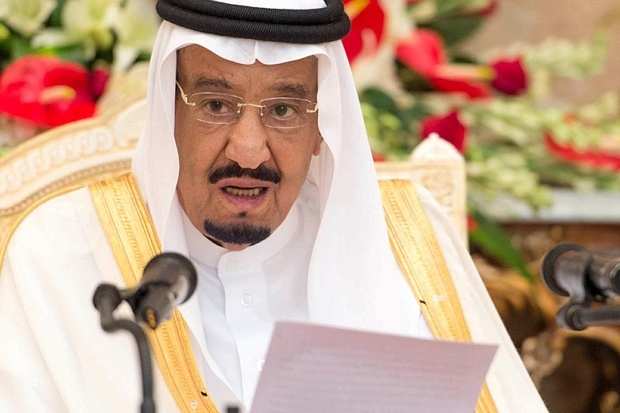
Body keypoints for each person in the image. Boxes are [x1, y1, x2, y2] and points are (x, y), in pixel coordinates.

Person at [0, 0, 548, 412]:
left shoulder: (408, 240)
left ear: (322, 125)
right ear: (168, 111)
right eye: (215, 104)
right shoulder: (60, 253)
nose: (248, 150)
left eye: (285, 110)